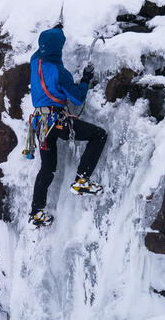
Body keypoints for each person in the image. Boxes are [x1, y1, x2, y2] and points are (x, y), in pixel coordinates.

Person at [28, 24, 107, 227]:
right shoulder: (59, 72)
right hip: (56, 122)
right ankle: (82, 180)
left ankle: (36, 212)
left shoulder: (34, 61)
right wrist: (86, 79)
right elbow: (78, 98)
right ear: (58, 49)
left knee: (47, 168)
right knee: (99, 135)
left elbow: (44, 45)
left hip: (40, 125)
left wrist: (55, 30)